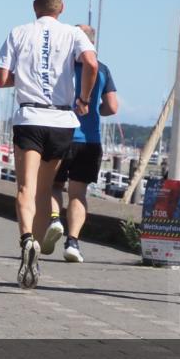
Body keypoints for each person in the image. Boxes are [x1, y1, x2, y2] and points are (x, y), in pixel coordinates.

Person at [0, 0, 97, 288]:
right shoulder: (74, 33)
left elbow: (1, 79)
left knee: (25, 188)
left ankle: (27, 239)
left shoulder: (19, 32)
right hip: (62, 119)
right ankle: (35, 258)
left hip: (29, 117)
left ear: (34, 6)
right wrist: (84, 98)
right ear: (61, 7)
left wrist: (25, 77)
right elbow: (91, 63)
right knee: (43, 192)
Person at [48, 25, 118, 263]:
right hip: (90, 140)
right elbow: (112, 106)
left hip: (62, 135)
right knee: (78, 194)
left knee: (54, 185)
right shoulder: (104, 70)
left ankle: (55, 218)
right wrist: (94, 112)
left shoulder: (63, 67)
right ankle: (73, 242)